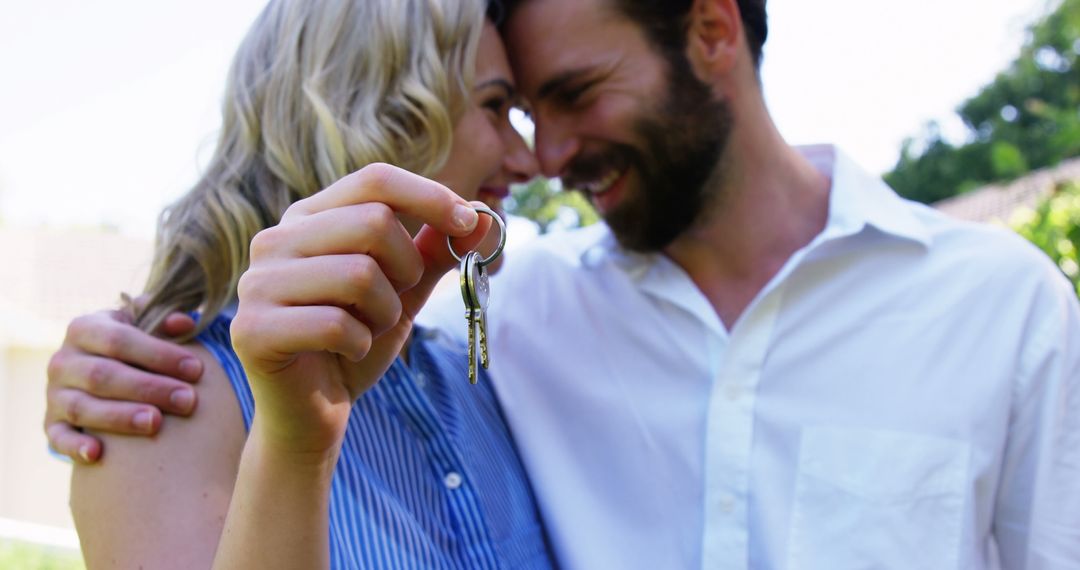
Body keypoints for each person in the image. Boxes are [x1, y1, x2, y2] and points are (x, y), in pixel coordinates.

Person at [47, 0, 1080, 568]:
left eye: (570, 95)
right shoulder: (173, 393)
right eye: (512, 107)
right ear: (385, 109)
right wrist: (114, 359)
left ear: (713, 32)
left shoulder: (1001, 303)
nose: (543, 156)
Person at [61, 0, 553, 568]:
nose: (529, 160)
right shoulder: (160, 395)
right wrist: (295, 450)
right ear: (371, 104)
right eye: (495, 106)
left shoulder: (465, 372)